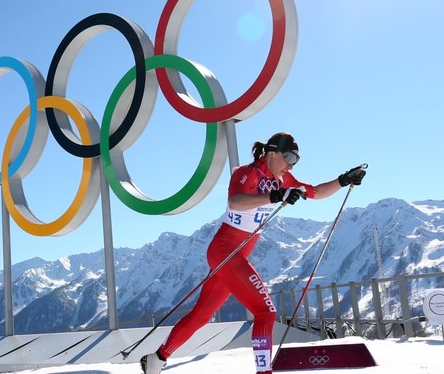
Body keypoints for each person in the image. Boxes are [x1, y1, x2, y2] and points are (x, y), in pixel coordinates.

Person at [140, 132, 366, 374]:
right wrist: (277, 196)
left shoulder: (284, 178)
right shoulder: (246, 174)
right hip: (225, 250)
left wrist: (343, 180)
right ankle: (263, 371)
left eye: (296, 159)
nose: (291, 164)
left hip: (232, 256)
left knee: (201, 315)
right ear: (271, 154)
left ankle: (156, 358)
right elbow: (236, 202)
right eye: (289, 156)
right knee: (265, 311)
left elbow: (316, 192)